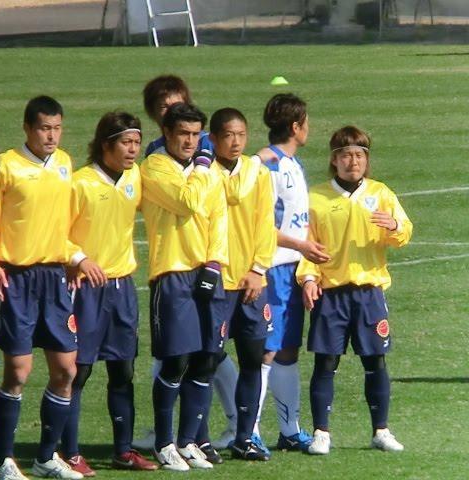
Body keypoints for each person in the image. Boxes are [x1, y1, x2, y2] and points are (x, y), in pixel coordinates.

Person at [135, 75, 238, 453]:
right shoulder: (155, 166)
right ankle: (164, 442)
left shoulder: (204, 168)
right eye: (183, 134)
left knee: (206, 359)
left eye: (196, 135)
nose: (191, 141)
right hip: (173, 273)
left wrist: (215, 261)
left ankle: (192, 441)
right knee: (175, 361)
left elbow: (219, 217)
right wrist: (203, 166)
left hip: (207, 272)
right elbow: (188, 202)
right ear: (166, 132)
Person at [297, 125, 412, 455]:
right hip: (331, 294)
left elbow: (404, 232)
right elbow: (305, 245)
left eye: (359, 155)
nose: (353, 161)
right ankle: (321, 433)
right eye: (346, 155)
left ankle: (381, 430)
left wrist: (395, 226)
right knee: (326, 363)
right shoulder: (316, 198)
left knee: (375, 362)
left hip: (369, 292)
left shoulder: (381, 193)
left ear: (366, 159)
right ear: (334, 160)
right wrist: (308, 279)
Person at [0, 96, 81, 480]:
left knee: (66, 370)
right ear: (27, 128)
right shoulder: (6, 166)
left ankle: (45, 458)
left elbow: (64, 223)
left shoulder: (64, 163)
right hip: (17, 278)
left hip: (55, 277)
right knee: (18, 372)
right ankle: (5, 460)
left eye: (57, 128)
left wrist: (75, 258)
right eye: (44, 128)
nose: (51, 136)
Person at [58, 111, 157, 476]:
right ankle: (69, 452)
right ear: (106, 145)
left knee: (123, 370)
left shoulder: (135, 177)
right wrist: (79, 259)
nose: (133, 150)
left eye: (136, 142)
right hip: (86, 291)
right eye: (126, 143)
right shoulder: (79, 184)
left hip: (122, 288)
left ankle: (123, 450)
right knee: (78, 372)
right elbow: (55, 232)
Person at [252, 93, 330, 456]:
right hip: (270, 269)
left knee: (286, 350)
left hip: (292, 270)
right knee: (266, 351)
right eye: (307, 122)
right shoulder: (267, 167)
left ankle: (289, 430)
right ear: (296, 126)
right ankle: (248, 431)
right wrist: (301, 246)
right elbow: (261, 226)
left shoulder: (292, 163)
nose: (309, 128)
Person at [207, 109, 277, 461]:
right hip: (217, 282)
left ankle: (245, 436)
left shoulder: (257, 173)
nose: (235, 142)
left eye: (241, 135)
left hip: (251, 282)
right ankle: (196, 438)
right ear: (213, 138)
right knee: (205, 360)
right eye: (228, 135)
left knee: (253, 357)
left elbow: (266, 223)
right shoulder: (205, 173)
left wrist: (259, 269)